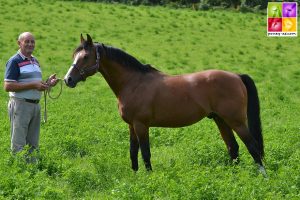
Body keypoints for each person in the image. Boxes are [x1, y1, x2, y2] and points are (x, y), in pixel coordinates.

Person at [4, 32, 58, 153]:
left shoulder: (35, 61)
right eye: (27, 41)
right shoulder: (14, 61)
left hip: (35, 105)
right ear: (19, 43)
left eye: (32, 41)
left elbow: (36, 84)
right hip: (20, 105)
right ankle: (19, 170)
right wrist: (34, 85)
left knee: (33, 143)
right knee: (18, 143)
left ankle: (32, 170)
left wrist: (48, 83)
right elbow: (8, 86)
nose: (30, 44)